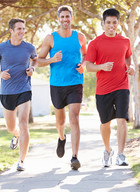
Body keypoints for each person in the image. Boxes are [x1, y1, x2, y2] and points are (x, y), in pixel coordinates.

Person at [37, 5, 87, 170]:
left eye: (68, 16)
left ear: (72, 18)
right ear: (58, 19)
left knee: (74, 118)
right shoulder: (50, 38)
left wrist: (83, 65)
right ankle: (61, 137)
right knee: (60, 122)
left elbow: (86, 54)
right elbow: (38, 60)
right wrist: (52, 60)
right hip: (57, 85)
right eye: (62, 17)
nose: (65, 20)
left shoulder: (80, 37)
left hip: (75, 82)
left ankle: (74, 157)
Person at [86, 8, 135, 167]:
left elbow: (128, 58)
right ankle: (108, 150)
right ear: (103, 23)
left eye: (114, 22)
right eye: (108, 22)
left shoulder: (125, 41)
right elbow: (88, 66)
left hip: (122, 85)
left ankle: (121, 154)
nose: (111, 25)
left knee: (122, 120)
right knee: (105, 123)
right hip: (103, 89)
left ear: (118, 23)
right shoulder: (95, 43)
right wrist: (101, 66)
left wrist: (131, 66)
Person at [0, 18, 38, 171]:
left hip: (24, 89)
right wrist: (0, 73)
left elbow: (35, 60)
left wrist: (32, 68)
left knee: (23, 124)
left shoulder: (29, 47)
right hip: (7, 92)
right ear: (11, 30)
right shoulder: (1, 48)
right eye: (19, 29)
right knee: (11, 127)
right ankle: (15, 135)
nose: (22, 31)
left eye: (23, 28)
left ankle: (21, 161)